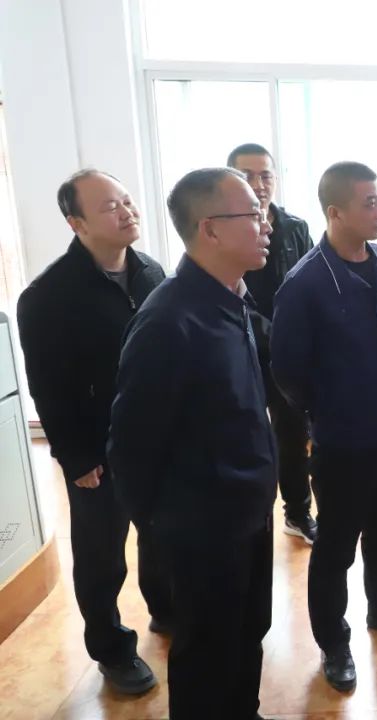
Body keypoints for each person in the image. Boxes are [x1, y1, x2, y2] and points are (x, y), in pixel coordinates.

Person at [107, 168, 277, 719]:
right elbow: (131, 444)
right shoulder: (169, 321)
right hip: (203, 527)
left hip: (248, 508)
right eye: (253, 214)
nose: (265, 224)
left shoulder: (232, 299)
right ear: (210, 229)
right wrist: (164, 529)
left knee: (247, 631)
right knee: (207, 652)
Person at [272, 161, 377, 693]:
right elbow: (287, 371)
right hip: (343, 441)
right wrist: (326, 412)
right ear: (335, 212)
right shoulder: (305, 284)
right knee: (336, 546)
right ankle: (333, 641)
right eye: (370, 203)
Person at [16, 170, 170, 695]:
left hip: (157, 440)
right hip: (98, 450)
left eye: (127, 200)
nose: (127, 211)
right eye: (109, 206)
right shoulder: (48, 295)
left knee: (162, 534)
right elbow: (49, 388)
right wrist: (76, 457)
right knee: (102, 556)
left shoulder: (151, 272)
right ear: (76, 223)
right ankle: (111, 649)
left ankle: (166, 609)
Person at [227, 142, 318, 545]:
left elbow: (312, 284)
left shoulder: (295, 227)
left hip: (289, 352)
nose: (258, 183)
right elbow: (227, 295)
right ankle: (248, 517)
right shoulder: (223, 229)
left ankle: (297, 513)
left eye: (265, 174)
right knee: (244, 437)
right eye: (247, 175)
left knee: (293, 435)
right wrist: (270, 332)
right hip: (241, 349)